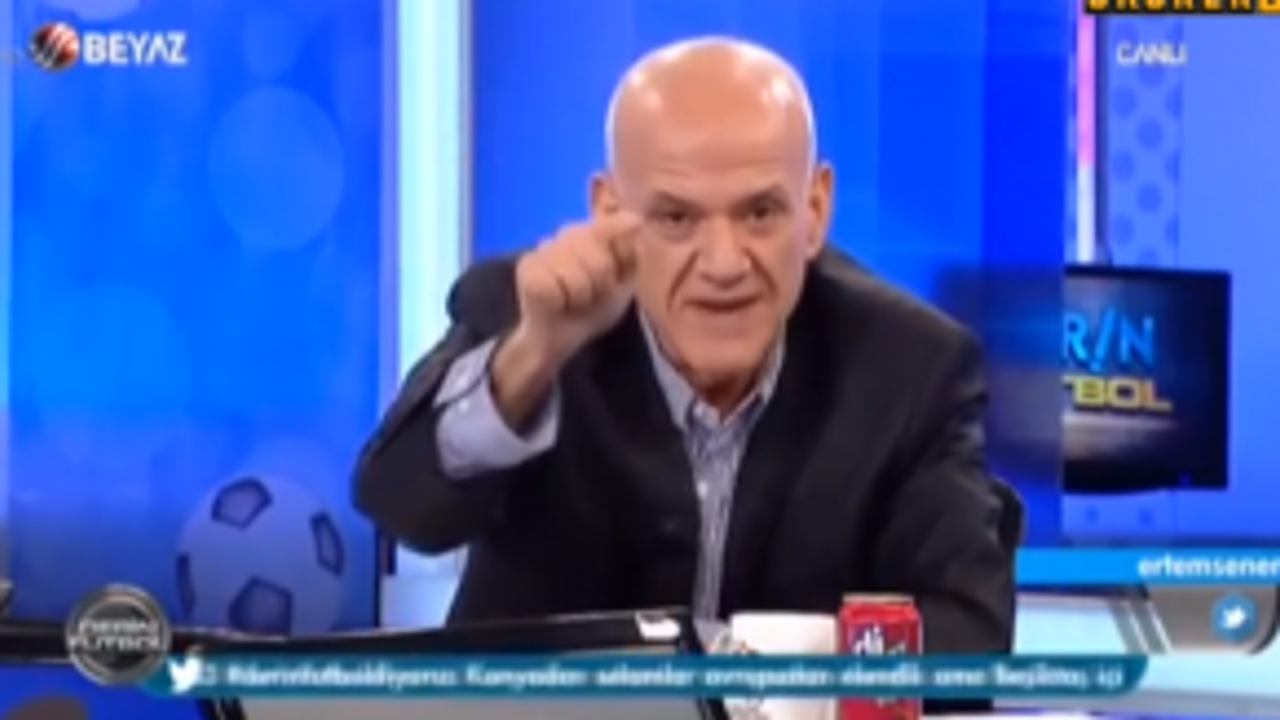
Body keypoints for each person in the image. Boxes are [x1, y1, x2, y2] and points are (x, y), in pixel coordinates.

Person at [355, 38, 1014, 657]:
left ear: (815, 210)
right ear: (609, 210)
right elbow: (398, 503)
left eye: (760, 213)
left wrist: (763, 670)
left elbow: (969, 636)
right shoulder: (524, 311)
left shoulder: (909, 367)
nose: (723, 264)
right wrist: (533, 357)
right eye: (676, 217)